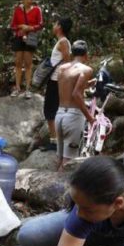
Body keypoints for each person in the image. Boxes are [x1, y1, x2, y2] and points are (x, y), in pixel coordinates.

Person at [54, 40, 95, 169]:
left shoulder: (61, 69)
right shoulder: (86, 69)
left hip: (59, 114)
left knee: (59, 159)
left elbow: (66, 87)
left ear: (72, 54)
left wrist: (87, 84)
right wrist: (90, 117)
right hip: (73, 117)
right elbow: (76, 94)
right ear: (86, 55)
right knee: (68, 162)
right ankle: (62, 189)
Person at [43, 18, 72, 151]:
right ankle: (54, 140)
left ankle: (55, 142)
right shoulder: (61, 42)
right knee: (50, 110)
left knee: (51, 110)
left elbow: (67, 62)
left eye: (55, 24)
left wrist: (63, 81)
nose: (53, 26)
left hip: (57, 81)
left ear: (59, 27)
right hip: (54, 80)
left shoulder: (63, 42)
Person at [9, 0, 43, 98]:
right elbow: (13, 25)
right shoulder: (18, 10)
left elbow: (41, 24)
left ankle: (28, 89)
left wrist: (30, 28)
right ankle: (17, 87)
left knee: (28, 64)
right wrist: (21, 27)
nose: (29, 0)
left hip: (30, 38)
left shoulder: (37, 10)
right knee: (18, 63)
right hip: (19, 38)